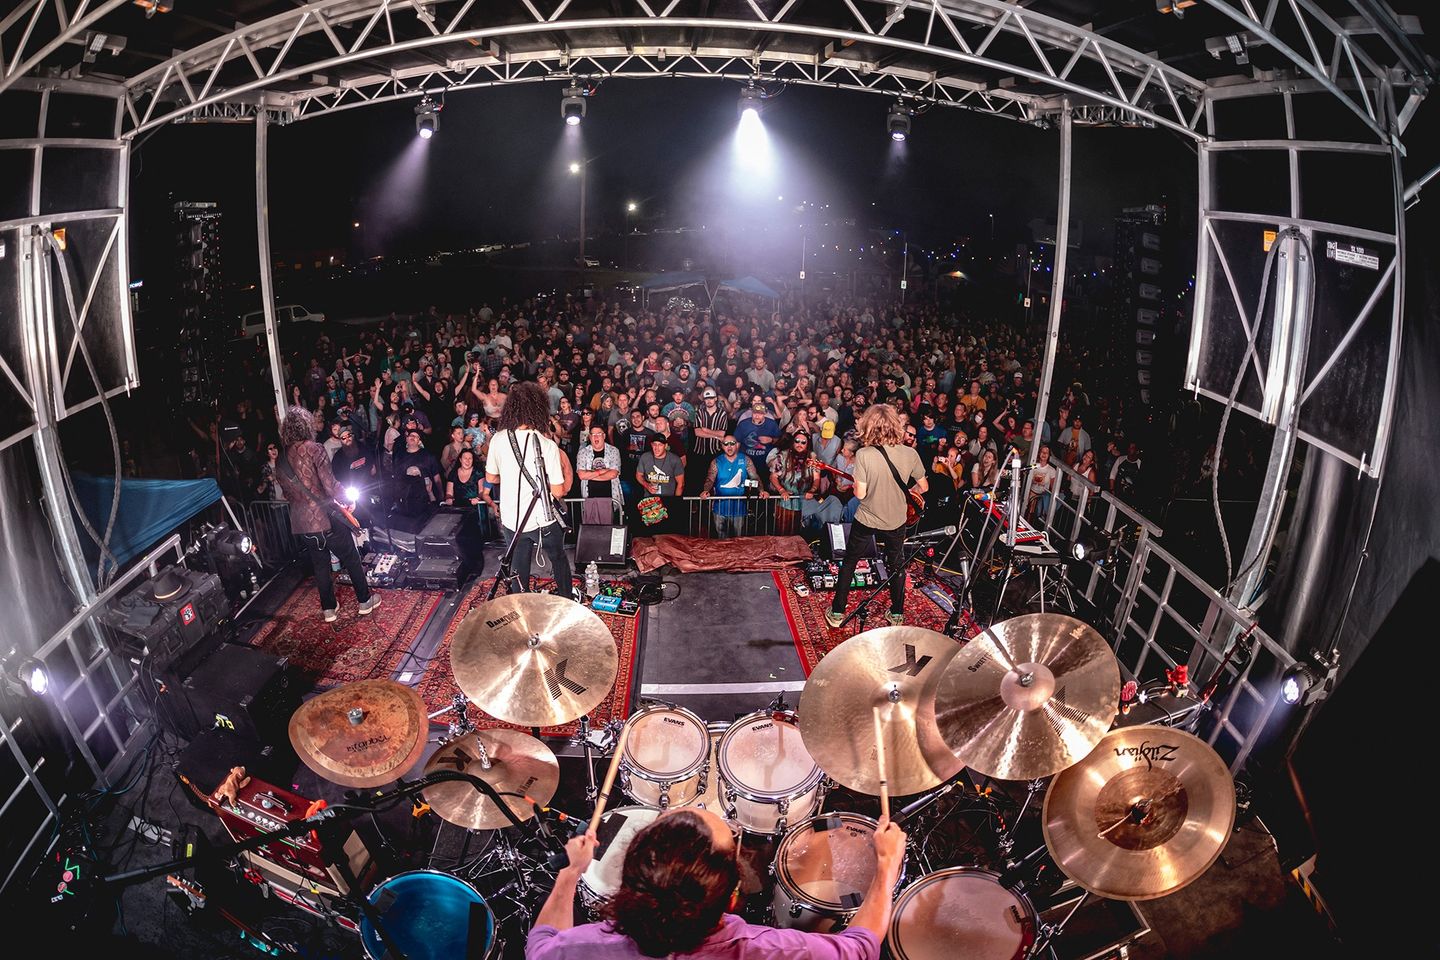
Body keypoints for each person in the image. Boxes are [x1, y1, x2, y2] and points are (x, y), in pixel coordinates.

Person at [527, 806, 905, 960]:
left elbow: (539, 945)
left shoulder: (584, 946)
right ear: (732, 896)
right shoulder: (767, 950)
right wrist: (886, 865)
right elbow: (859, 948)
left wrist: (570, 874)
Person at [275, 406, 380, 623]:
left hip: (302, 523)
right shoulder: (315, 449)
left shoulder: (281, 459)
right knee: (350, 556)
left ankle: (329, 609)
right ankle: (364, 601)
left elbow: (287, 494)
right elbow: (331, 486)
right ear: (306, 426)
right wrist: (348, 499)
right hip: (325, 517)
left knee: (319, 563)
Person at [826, 405, 927, 629]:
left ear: (868, 426)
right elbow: (924, 486)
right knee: (897, 564)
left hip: (868, 517)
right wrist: (904, 494)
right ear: (895, 425)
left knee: (850, 561)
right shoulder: (910, 453)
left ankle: (837, 613)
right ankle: (897, 614)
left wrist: (861, 486)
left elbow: (860, 494)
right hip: (896, 519)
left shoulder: (864, 454)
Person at [485, 382, 574, 595]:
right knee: (558, 559)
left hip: (511, 520)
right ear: (538, 409)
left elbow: (491, 477)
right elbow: (558, 492)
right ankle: (566, 599)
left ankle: (521, 609)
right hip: (541, 519)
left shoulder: (497, 440)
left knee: (518, 568)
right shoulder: (546, 444)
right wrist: (566, 465)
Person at [701, 434, 764, 539]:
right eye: (726, 444)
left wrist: (761, 490)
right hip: (720, 508)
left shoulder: (745, 460)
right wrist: (706, 490)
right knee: (721, 540)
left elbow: (754, 477)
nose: (729, 446)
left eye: (732, 443)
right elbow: (710, 479)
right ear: (722, 446)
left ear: (737, 445)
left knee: (738, 540)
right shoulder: (716, 461)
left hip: (739, 508)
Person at [576, 424, 623, 520]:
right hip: (589, 496)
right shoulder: (583, 452)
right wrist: (600, 471)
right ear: (589, 437)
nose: (596, 437)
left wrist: (589, 475)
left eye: (599, 434)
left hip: (611, 496)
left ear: (604, 436)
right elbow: (581, 475)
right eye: (593, 435)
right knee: (591, 529)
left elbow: (613, 474)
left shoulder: (614, 451)